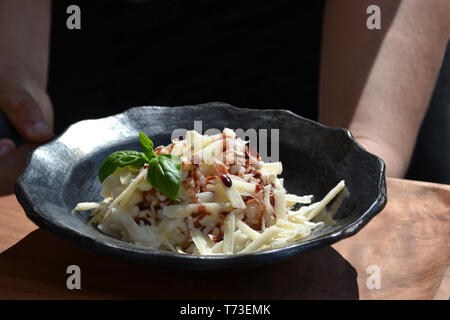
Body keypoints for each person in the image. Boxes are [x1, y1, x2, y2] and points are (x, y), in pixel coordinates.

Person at [0, 0, 449, 195]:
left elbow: (367, 138)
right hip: (108, 52)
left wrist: (362, 155)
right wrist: (18, 84)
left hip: (328, 63)